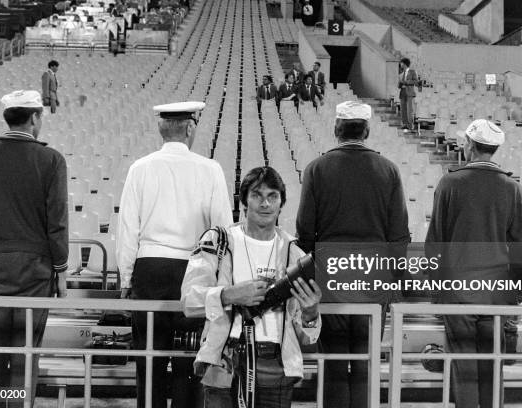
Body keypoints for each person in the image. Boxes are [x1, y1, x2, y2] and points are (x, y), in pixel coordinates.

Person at [116, 101, 233, 408]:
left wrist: (127, 279)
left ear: (161, 128)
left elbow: (128, 228)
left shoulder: (140, 168)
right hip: (193, 269)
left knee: (149, 360)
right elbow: (222, 230)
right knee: (188, 361)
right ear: (191, 127)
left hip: (149, 269)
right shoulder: (210, 170)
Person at [296, 101, 409, 408]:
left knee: (333, 360)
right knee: (365, 360)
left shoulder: (316, 169)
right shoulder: (389, 170)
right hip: (373, 278)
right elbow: (398, 235)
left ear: (336, 129)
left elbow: (305, 231)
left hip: (331, 277)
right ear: (367, 130)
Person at [0, 90, 68, 408]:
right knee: (25, 355)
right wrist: (61, 271)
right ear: (34, 118)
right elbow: (57, 222)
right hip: (35, 272)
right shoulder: (51, 160)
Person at [181, 166, 322, 408]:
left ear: (281, 203)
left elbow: (305, 333)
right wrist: (229, 294)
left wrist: (310, 314)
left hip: (276, 366)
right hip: (225, 361)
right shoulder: (218, 240)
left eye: (273, 196)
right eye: (257, 195)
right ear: (244, 201)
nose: (265, 203)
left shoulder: (294, 252)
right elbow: (190, 301)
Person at [425, 119, 522, 408]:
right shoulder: (512, 188)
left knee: (464, 367)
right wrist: (517, 294)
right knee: (492, 365)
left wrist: (436, 291)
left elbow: (435, 243)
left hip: (458, 291)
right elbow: (521, 248)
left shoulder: (449, 183)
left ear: (470, 146)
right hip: (496, 292)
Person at [398, 57, 418, 133]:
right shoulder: (401, 74)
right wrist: (400, 84)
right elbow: (399, 85)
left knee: (409, 110)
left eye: (401, 63)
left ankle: (410, 125)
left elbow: (416, 82)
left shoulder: (412, 72)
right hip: (402, 91)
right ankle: (404, 124)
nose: (400, 64)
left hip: (409, 92)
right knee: (403, 109)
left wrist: (406, 82)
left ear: (404, 63)